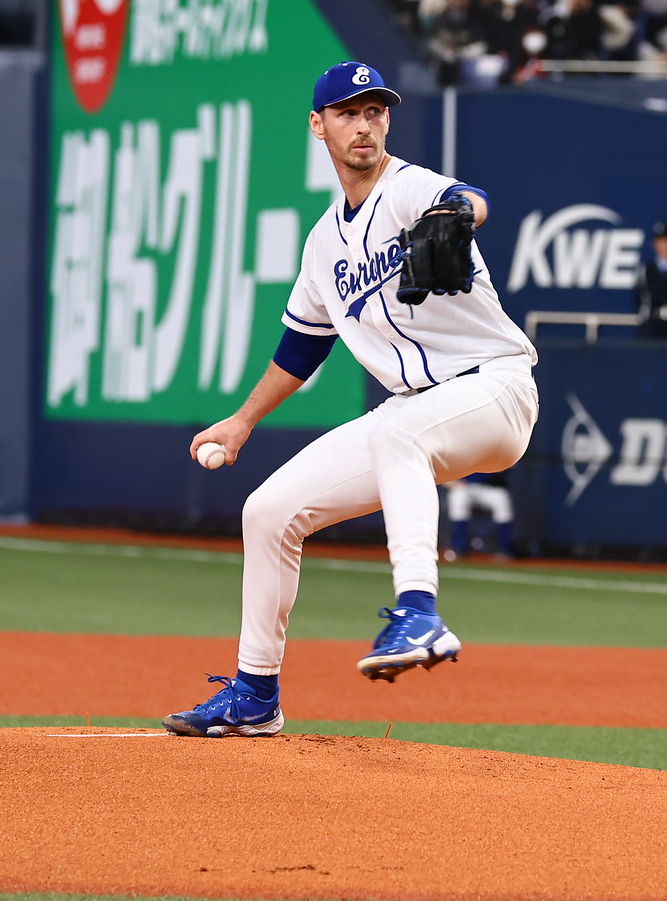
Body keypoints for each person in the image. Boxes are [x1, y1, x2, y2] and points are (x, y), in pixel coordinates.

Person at [164, 61, 539, 737]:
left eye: (374, 110)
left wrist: (456, 215)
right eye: (346, 112)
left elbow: (469, 197)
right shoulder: (322, 245)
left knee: (402, 434)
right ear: (319, 125)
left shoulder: (406, 189)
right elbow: (302, 347)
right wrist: (244, 419)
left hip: (494, 388)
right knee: (269, 509)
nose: (363, 124)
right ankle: (255, 694)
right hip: (416, 409)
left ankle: (419, 610)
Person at [444, 468, 516, 561]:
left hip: (490, 486)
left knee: (502, 500)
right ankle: (459, 548)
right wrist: (448, 481)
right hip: (464, 485)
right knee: (458, 497)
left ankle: (505, 550)